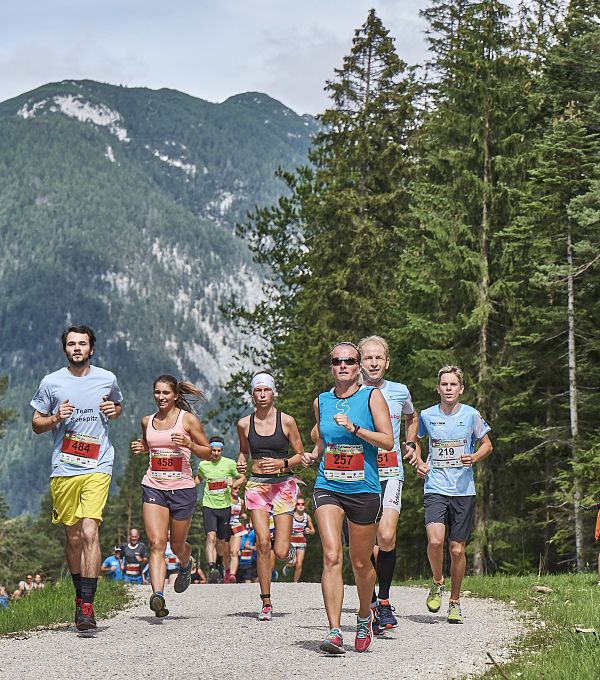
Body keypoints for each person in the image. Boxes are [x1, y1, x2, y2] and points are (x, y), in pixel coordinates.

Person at [31, 324, 123, 632]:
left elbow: (117, 405)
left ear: (91, 348)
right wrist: (56, 417)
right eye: (71, 344)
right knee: (72, 538)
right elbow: (36, 424)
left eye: (82, 343)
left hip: (98, 465)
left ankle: (87, 606)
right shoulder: (51, 382)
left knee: (89, 533)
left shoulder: (106, 378)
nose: (77, 348)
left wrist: (114, 409)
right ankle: (78, 595)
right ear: (65, 349)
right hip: (65, 467)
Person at [302, 341, 393, 654]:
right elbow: (322, 437)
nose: (343, 365)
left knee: (360, 561)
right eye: (337, 361)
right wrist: (314, 453)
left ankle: (365, 615)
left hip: (364, 488)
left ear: (359, 367)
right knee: (331, 555)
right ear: (331, 366)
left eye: (350, 361)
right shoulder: (322, 401)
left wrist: (355, 429)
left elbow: (387, 441)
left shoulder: (371, 396)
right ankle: (334, 630)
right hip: (328, 484)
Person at [409, 365, 493, 624]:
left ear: (461, 389)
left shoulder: (471, 415)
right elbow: (416, 441)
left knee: (457, 550)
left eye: (453, 385)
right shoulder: (426, 415)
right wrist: (420, 461)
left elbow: (487, 445)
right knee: (435, 542)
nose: (448, 389)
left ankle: (455, 601)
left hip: (463, 490)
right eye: (444, 385)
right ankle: (437, 582)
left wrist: (474, 457)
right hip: (435, 486)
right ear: (438, 388)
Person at [131, 374, 211, 617]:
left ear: (176, 395)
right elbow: (151, 445)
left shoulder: (188, 421)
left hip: (183, 488)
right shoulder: (147, 421)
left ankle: (187, 563)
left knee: (177, 545)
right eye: (157, 392)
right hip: (154, 486)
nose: (161, 397)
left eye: (166, 393)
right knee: (157, 543)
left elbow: (207, 452)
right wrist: (142, 447)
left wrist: (188, 443)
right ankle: (158, 596)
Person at [359, 335, 419, 632]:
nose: (373, 362)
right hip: (359, 476)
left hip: (391, 472)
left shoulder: (399, 391)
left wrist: (410, 442)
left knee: (386, 536)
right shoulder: (352, 393)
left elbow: (412, 417)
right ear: (360, 362)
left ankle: (384, 601)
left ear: (387, 361)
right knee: (364, 543)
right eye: (368, 357)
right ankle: (371, 604)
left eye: (378, 357)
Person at [236, 372, 305, 620]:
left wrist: (282, 463)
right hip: (257, 486)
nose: (262, 395)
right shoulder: (244, 423)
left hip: (283, 486)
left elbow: (300, 455)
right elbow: (243, 452)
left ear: (273, 392)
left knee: (280, 549)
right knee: (263, 543)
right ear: (253, 394)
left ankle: (289, 554)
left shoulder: (286, 421)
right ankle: (266, 602)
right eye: (258, 391)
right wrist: (241, 463)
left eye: (266, 391)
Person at [195, 436, 245, 584]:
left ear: (222, 450)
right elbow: (198, 479)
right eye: (213, 450)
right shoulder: (204, 464)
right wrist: (188, 487)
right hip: (209, 506)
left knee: (222, 542)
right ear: (210, 449)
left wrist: (233, 483)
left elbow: (242, 478)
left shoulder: (229, 464)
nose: (216, 453)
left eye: (218, 450)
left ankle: (217, 562)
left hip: (225, 507)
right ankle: (211, 568)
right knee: (211, 537)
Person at [284, 497, 316, 582]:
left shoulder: (307, 517)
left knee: (299, 563)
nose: (300, 506)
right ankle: (288, 565)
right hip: (292, 541)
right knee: (293, 562)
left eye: (302, 504)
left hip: (301, 541)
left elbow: (313, 531)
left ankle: (295, 582)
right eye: (298, 504)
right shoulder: (291, 515)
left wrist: (309, 531)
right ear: (295, 506)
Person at [228, 487, 247, 583]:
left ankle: (232, 575)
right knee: (225, 552)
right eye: (235, 488)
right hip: (226, 527)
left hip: (236, 526)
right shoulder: (225, 499)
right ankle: (226, 571)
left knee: (234, 552)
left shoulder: (241, 501)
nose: (237, 490)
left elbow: (241, 513)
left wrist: (243, 515)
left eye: (239, 488)